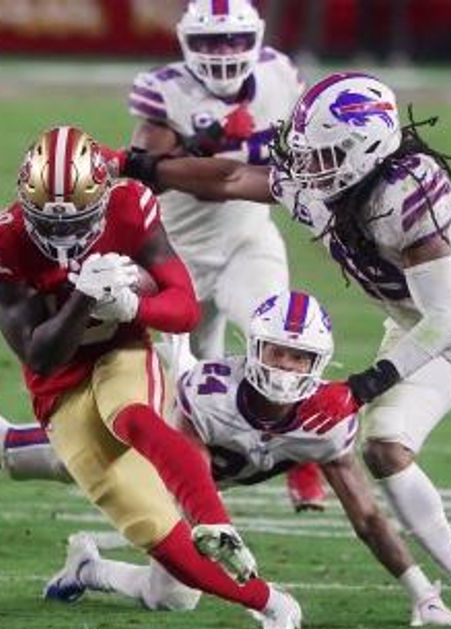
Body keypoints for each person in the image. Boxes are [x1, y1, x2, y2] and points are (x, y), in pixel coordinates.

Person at [112, 72, 451, 629]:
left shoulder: (406, 193)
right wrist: (141, 167)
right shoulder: (328, 182)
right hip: (417, 331)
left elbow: (448, 320)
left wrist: (358, 388)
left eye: (327, 154)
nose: (310, 168)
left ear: (368, 149)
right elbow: (232, 177)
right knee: (385, 450)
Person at [0, 125, 302, 629]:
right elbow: (39, 354)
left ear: (100, 198)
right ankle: (272, 603)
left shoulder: (128, 206)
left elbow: (186, 309)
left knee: (132, 415)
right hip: (58, 388)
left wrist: (131, 306)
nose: (64, 237)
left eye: (77, 221)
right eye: (50, 223)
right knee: (156, 532)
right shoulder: (0, 241)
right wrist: (82, 298)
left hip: (125, 349)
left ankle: (217, 524)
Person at [44, 289, 451, 628]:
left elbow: (368, 518)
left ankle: (86, 570)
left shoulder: (326, 422)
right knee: (24, 455)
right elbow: (192, 483)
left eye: (299, 357)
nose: (285, 367)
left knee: (170, 598)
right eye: (276, 352)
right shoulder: (210, 395)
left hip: (182, 490)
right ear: (254, 348)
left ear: (319, 363)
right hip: (140, 461)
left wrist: (423, 594)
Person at [129, 0, 328, 512]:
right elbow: (147, 170)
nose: (224, 52)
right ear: (188, 43)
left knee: (282, 336)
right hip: (177, 255)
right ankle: (204, 492)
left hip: (246, 242)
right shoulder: (164, 89)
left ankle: (305, 458)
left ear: (255, 38)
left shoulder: (281, 75)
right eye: (212, 42)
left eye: (235, 39)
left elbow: (308, 147)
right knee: (191, 381)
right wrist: (209, 140)